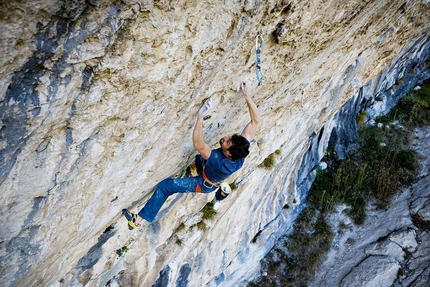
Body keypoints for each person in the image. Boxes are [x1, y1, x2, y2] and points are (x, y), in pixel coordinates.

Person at [122, 78, 260, 230]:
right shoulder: (241, 150)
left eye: (227, 142)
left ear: (228, 154)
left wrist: (200, 118)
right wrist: (247, 94)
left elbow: (199, 145)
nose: (225, 138)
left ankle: (137, 220)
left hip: (203, 183)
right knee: (200, 158)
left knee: (165, 186)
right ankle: (212, 179)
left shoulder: (220, 163)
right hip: (209, 170)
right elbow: (255, 121)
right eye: (230, 138)